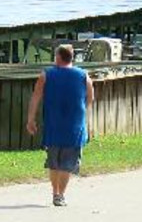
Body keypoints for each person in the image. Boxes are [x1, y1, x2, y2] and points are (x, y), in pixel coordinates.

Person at [26, 44, 94, 207]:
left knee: (54, 161)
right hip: (75, 126)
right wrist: (84, 119)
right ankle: (60, 195)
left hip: (53, 125)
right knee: (68, 163)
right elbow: (90, 99)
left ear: (58, 57)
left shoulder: (46, 75)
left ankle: (55, 192)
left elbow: (36, 97)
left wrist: (31, 119)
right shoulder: (84, 76)